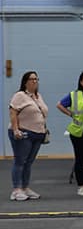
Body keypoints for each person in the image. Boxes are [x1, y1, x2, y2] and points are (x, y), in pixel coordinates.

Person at [8, 71, 47, 201]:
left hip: (37, 134)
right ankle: (16, 189)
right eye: (31, 79)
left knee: (28, 162)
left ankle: (25, 187)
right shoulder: (19, 95)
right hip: (23, 132)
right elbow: (13, 112)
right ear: (25, 82)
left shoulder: (38, 96)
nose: (34, 81)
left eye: (36, 79)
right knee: (20, 161)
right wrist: (15, 129)